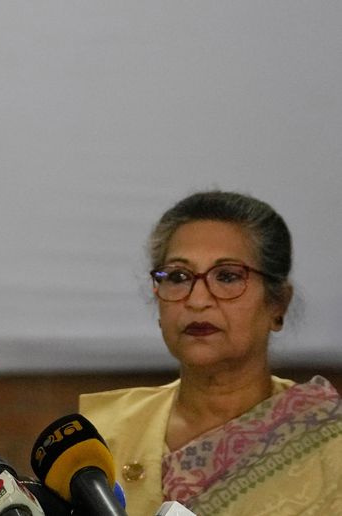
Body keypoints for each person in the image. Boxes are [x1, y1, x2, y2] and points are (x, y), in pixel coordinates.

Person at [79, 190, 342, 515]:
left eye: (228, 276)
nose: (197, 299)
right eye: (178, 276)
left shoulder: (329, 445)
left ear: (278, 304)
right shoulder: (100, 436)